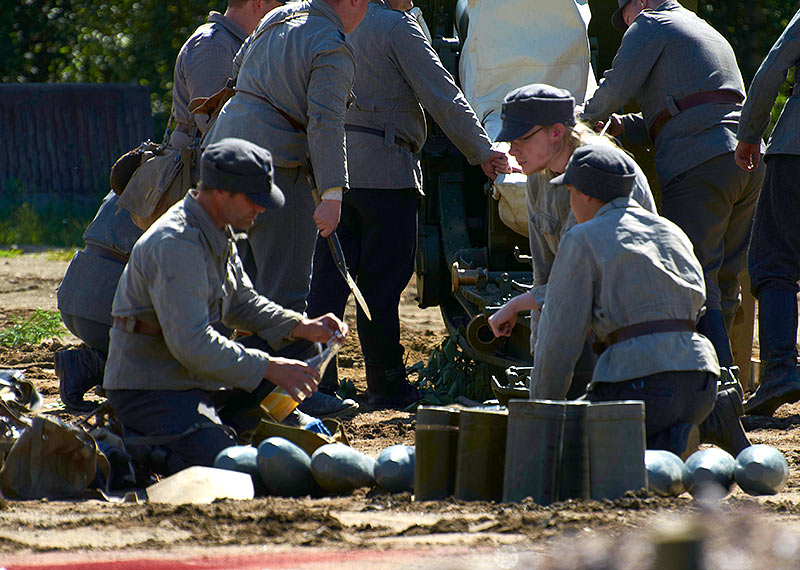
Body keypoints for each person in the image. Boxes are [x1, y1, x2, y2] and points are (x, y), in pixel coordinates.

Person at [53, 0, 282, 413]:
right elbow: (226, 135)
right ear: (259, 3)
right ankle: (92, 362)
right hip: (98, 309)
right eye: (281, 4)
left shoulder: (231, 44)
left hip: (101, 308)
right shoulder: (215, 47)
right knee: (200, 356)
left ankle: (99, 363)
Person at [305, 0, 510, 409]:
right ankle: (387, 384)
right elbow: (442, 95)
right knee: (380, 287)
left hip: (330, 174)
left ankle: (316, 385)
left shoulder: (322, 22)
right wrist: (482, 151)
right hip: (386, 174)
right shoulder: (397, 28)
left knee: (326, 284)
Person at [103, 138, 348, 475]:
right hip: (152, 388)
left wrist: (302, 325)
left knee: (299, 339)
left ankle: (227, 419)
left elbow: (243, 304)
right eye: (253, 200)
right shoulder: (177, 243)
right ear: (220, 192)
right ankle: (139, 444)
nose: (261, 209)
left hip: (195, 377)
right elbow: (192, 344)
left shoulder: (215, 228)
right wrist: (269, 366)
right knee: (230, 467)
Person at [580, 0, 765, 376]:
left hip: (699, 161)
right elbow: (687, 106)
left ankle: (713, 385)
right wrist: (621, 127)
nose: (625, 24)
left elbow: (614, 87)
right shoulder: (700, 28)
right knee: (725, 278)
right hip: (745, 160)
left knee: (693, 274)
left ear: (641, 2)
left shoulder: (650, 23)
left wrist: (577, 121)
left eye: (625, 14)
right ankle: (725, 376)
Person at [530, 144, 750, 458]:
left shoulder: (582, 238)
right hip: (702, 382)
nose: (570, 201)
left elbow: (558, 342)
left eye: (570, 192)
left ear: (587, 195)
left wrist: (541, 412)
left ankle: (672, 441)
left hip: (638, 389)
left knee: (576, 448)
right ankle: (713, 415)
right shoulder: (671, 231)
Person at [487, 84, 656, 397]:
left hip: (631, 328)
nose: (512, 151)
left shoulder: (604, 171)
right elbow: (547, 274)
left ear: (556, 132)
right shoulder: (537, 178)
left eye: (522, 139)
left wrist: (515, 306)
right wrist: (540, 352)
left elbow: (587, 283)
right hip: (583, 313)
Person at [206, 0, 369, 315]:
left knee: (230, 297)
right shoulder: (332, 45)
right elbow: (325, 122)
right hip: (275, 170)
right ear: (353, 1)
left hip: (220, 157)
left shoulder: (278, 15)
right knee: (285, 303)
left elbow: (237, 71)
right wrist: (332, 196)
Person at [735, 10, 800, 416]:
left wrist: (749, 134)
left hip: (796, 150)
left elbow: (773, 68)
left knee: (774, 261)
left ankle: (778, 372)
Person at [169, 0, 281, 148]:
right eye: (279, 8)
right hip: (203, 165)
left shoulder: (237, 43)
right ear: (258, 3)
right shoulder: (212, 45)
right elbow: (214, 127)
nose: (283, 17)